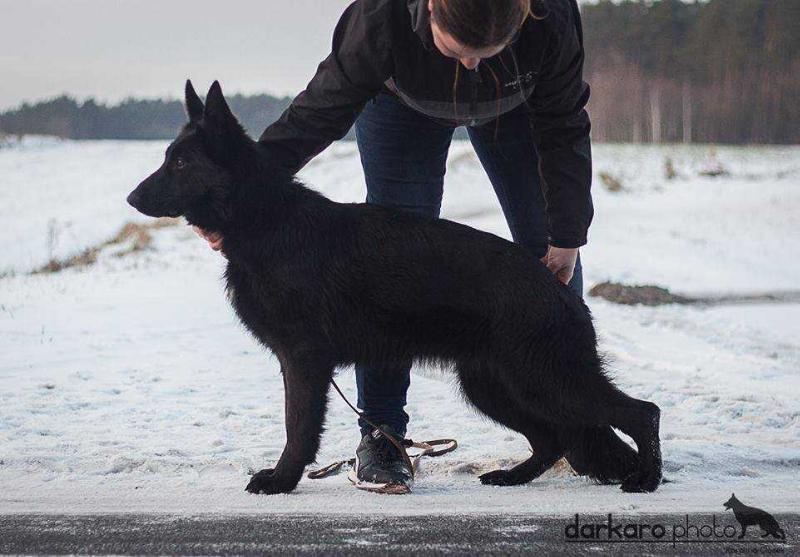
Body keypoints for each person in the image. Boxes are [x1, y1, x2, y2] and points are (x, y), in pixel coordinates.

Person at [196, 0, 593, 494]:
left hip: (515, 109)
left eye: (489, 52)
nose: (471, 65)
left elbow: (563, 126)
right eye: (459, 50)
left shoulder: (549, 18)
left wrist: (568, 235)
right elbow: (314, 116)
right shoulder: (380, 20)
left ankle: (580, 421)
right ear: (431, 10)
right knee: (385, 266)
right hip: (402, 104)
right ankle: (382, 433)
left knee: (547, 245)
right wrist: (240, 201)